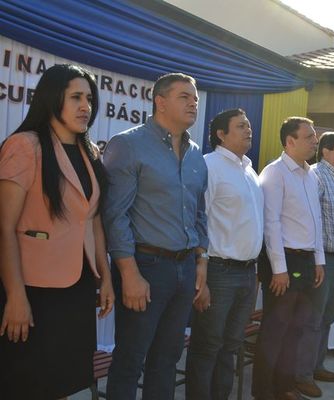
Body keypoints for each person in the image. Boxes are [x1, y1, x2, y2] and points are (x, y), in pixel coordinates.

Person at [0, 64, 114, 399]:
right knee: (29, 383)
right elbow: (4, 226)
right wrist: (16, 295)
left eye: (89, 99)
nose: (86, 107)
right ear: (52, 99)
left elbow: (92, 220)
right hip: (33, 290)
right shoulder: (25, 146)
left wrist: (105, 276)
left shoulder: (89, 152)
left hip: (77, 288)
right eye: (76, 97)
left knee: (70, 381)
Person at [103, 73, 208, 400]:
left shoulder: (195, 154)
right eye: (184, 97)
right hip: (145, 267)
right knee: (130, 360)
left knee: (167, 359)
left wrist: (201, 260)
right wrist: (129, 273)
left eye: (195, 99)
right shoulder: (129, 144)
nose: (193, 103)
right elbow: (114, 214)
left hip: (185, 269)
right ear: (160, 102)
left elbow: (199, 213)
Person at [185, 109, 264, 400]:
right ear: (221, 134)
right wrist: (200, 278)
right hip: (217, 272)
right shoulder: (209, 166)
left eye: (249, 125)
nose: (249, 130)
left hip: (246, 273)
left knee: (230, 346)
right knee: (207, 347)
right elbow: (197, 221)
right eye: (241, 126)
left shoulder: (249, 170)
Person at [252, 116, 325, 400]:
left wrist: (319, 260)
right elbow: (271, 224)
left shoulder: (311, 174)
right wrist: (278, 269)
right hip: (283, 262)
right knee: (275, 330)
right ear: (290, 141)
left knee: (296, 328)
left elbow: (316, 220)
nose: (314, 141)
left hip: (306, 263)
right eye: (308, 137)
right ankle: (263, 391)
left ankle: (284, 386)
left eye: (314, 136)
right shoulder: (275, 173)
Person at [295, 132, 334, 398]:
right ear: (326, 151)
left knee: (328, 317)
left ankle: (317, 365)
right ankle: (302, 375)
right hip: (322, 261)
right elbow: (310, 218)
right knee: (313, 319)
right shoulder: (317, 176)